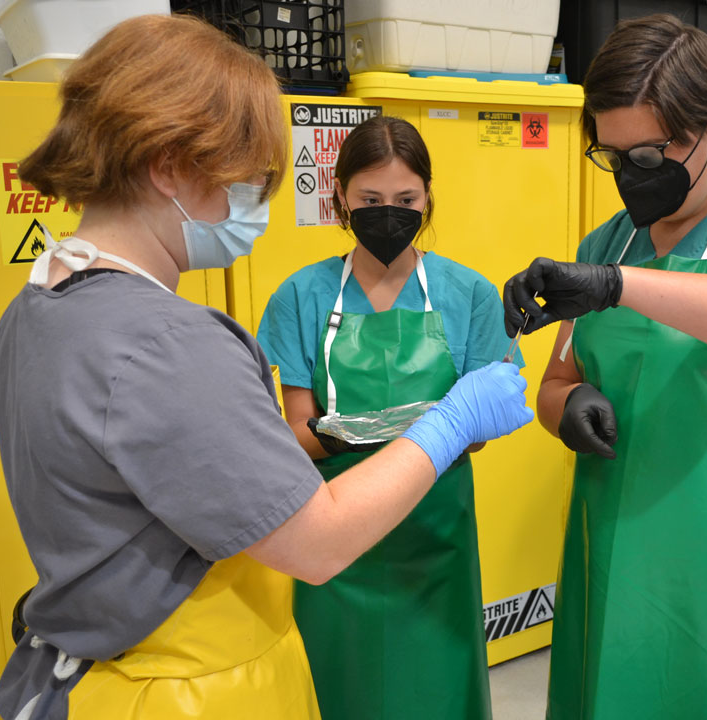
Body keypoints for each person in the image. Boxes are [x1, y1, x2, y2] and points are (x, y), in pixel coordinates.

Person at [0, 16, 531, 720]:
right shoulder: (169, 343)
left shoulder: (35, 310)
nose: (252, 204)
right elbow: (319, 541)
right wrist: (451, 418)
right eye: (244, 180)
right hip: (183, 689)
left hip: (87, 670)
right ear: (170, 165)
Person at [502, 14, 707, 719]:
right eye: (613, 155)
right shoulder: (609, 238)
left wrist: (620, 284)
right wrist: (569, 409)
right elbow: (554, 386)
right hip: (615, 546)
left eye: (649, 156)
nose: (630, 177)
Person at [257, 115, 517, 720]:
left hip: (435, 539)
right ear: (340, 197)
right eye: (370, 200)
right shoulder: (301, 296)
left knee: (437, 693)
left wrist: (436, 428)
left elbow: (478, 429)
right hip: (335, 540)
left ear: (428, 199)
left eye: (406, 200)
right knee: (341, 690)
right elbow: (296, 434)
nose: (389, 213)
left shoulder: (470, 295)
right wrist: (351, 432)